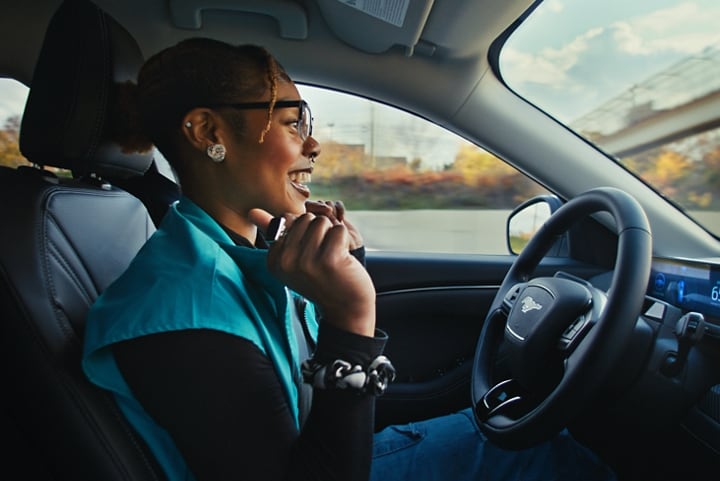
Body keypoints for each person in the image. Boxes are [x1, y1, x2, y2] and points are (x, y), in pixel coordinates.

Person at [82, 38, 616, 481]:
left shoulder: (228, 248)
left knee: (525, 429)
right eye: (292, 123)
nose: (313, 144)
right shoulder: (183, 308)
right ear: (208, 133)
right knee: (547, 453)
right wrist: (350, 321)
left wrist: (350, 265)